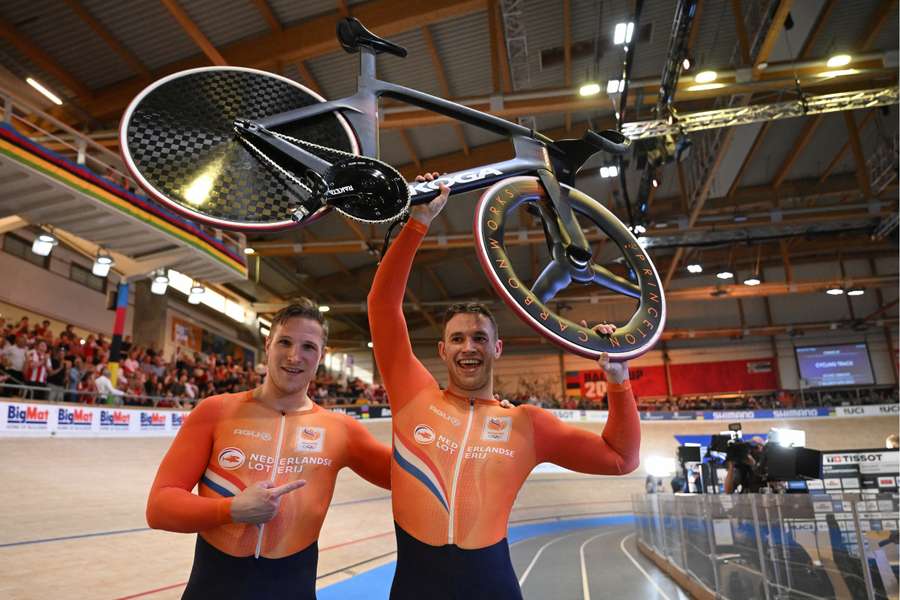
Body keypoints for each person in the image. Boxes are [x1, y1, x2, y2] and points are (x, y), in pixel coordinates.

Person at [367, 173, 641, 599]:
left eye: (479, 338)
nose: (468, 347)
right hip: (416, 586)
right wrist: (417, 222)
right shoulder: (414, 395)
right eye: (457, 338)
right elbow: (383, 308)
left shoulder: (527, 425)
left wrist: (619, 381)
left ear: (498, 347)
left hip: (491, 584)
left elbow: (621, 459)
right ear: (442, 350)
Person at [146, 300, 392, 600]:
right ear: (268, 344)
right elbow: (159, 507)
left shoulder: (341, 431)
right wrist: (231, 509)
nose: (294, 356)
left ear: (321, 356)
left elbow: (406, 477)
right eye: (285, 342)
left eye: (308, 347)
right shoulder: (216, 412)